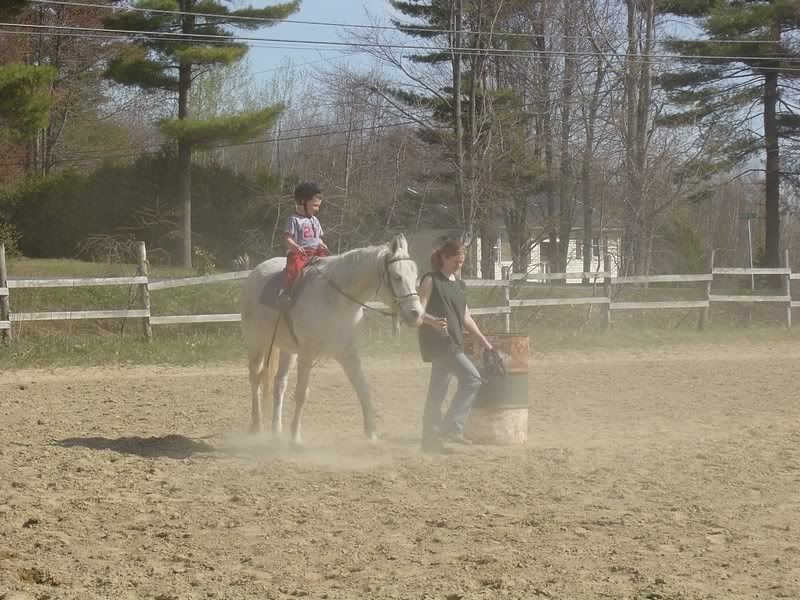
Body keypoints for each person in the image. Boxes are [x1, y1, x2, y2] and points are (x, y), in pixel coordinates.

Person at [417, 239, 494, 454]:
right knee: (473, 379)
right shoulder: (431, 280)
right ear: (444, 258)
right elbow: (418, 312)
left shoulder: (459, 285)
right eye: (455, 262)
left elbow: (466, 318)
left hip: (453, 342)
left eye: (461, 262)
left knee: (437, 394)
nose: (459, 266)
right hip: (439, 343)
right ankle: (453, 426)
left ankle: (430, 442)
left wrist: (486, 344)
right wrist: (433, 321)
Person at [278, 182, 329, 307]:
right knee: (294, 268)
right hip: (300, 254)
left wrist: (321, 244)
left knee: (329, 266)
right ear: (303, 202)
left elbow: (318, 238)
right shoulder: (294, 219)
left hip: (316, 252)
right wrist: (295, 247)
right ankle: (286, 293)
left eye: (318, 206)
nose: (317, 209)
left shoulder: (315, 220)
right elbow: (287, 238)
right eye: (315, 205)